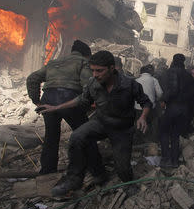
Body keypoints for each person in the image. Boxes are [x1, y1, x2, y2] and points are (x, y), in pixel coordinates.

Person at [38, 50, 152, 196]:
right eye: (92, 70)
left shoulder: (129, 84)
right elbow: (81, 99)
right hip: (101, 123)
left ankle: (128, 183)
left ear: (112, 69)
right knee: (77, 137)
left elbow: (146, 102)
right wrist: (56, 107)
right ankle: (74, 179)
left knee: (122, 167)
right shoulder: (93, 83)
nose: (95, 74)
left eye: (99, 71)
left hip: (121, 128)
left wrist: (143, 117)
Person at [26, 40, 100, 175]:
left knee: (51, 137)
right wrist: (89, 103)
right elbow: (88, 85)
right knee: (85, 134)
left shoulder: (53, 63)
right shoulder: (83, 62)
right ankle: (96, 171)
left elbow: (32, 78)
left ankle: (47, 172)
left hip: (48, 101)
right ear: (87, 54)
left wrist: (37, 101)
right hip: (69, 99)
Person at [159, 54, 194, 167]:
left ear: (173, 61)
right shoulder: (188, 75)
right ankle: (175, 161)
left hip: (172, 107)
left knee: (164, 133)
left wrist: (163, 100)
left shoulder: (171, 72)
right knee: (175, 135)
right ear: (183, 62)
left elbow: (172, 90)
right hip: (184, 110)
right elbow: (193, 95)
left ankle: (166, 159)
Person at [135, 64, 163, 141]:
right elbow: (160, 93)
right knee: (151, 123)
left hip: (138, 107)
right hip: (150, 107)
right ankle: (150, 139)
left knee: (139, 123)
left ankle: (139, 140)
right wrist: (156, 98)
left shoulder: (136, 80)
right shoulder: (154, 80)